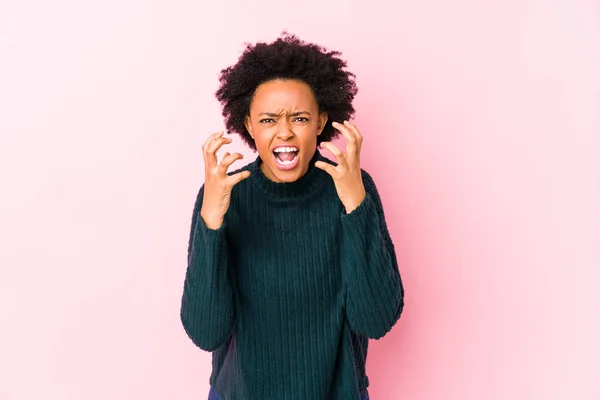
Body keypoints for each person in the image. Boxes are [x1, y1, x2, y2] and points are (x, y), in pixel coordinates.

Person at [180, 33, 404, 400]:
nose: (284, 131)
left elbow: (376, 320)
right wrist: (211, 223)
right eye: (268, 120)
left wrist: (355, 206)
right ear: (249, 126)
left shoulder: (351, 187)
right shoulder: (224, 194)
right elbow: (206, 331)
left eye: (299, 117)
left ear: (320, 122)